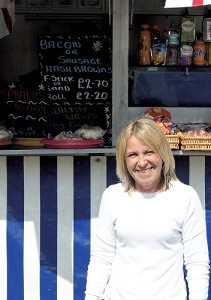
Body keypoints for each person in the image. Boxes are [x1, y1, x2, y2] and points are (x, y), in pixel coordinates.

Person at [84, 116, 210, 300]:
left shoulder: (185, 196)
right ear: (123, 160)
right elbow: (102, 258)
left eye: (149, 152)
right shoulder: (112, 196)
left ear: (162, 154)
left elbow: (196, 262)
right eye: (133, 155)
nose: (142, 162)